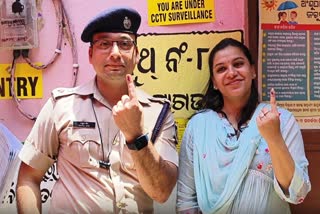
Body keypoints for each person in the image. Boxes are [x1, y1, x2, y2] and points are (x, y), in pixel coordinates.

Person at [16, 7, 178, 213]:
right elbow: (28, 178)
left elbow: (162, 192)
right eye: (104, 44)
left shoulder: (159, 112)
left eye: (125, 44)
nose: (115, 53)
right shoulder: (62, 106)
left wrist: (136, 136)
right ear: (91, 55)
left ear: (136, 55)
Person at [176, 38, 311, 213]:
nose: (231, 73)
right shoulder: (199, 126)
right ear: (214, 82)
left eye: (238, 64)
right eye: (221, 69)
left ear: (253, 71)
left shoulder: (282, 120)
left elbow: (297, 194)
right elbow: (186, 201)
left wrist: (274, 137)